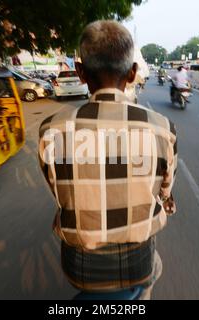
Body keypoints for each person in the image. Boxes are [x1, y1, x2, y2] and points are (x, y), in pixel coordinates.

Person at [38, 20, 178, 299]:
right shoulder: (162, 128)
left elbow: (58, 192)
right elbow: (165, 190)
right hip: (137, 263)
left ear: (80, 72)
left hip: (78, 267)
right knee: (154, 271)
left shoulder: (51, 129)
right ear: (132, 73)